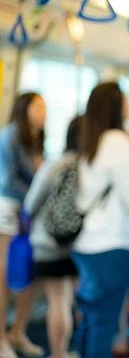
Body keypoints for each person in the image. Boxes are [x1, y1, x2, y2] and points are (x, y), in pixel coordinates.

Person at [72, 82, 129, 358]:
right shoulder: (117, 140)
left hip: (86, 242)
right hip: (112, 244)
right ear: (116, 104)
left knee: (90, 317)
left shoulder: (92, 138)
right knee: (105, 322)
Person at [24, 116, 81, 358]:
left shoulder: (57, 164)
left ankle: (57, 354)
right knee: (67, 299)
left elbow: (31, 202)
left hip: (49, 241)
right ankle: (67, 349)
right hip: (77, 242)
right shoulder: (88, 165)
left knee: (56, 301)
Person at [0, 92, 46, 358]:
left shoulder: (37, 139)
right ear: (24, 108)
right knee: (4, 274)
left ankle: (18, 331)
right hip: (9, 210)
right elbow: (6, 181)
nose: (43, 112)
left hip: (29, 212)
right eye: (38, 106)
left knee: (31, 272)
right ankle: (2, 337)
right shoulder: (10, 136)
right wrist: (34, 192)